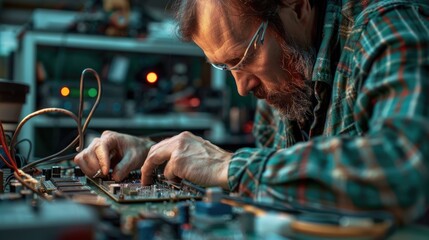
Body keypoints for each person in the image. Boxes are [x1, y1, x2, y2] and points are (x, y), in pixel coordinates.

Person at [74, 0, 429, 224]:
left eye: (243, 59)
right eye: (225, 68)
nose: (243, 87)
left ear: (298, 7)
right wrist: (152, 153)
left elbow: (409, 167)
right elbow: (269, 176)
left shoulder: (386, 24)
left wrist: (227, 165)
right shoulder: (286, 82)